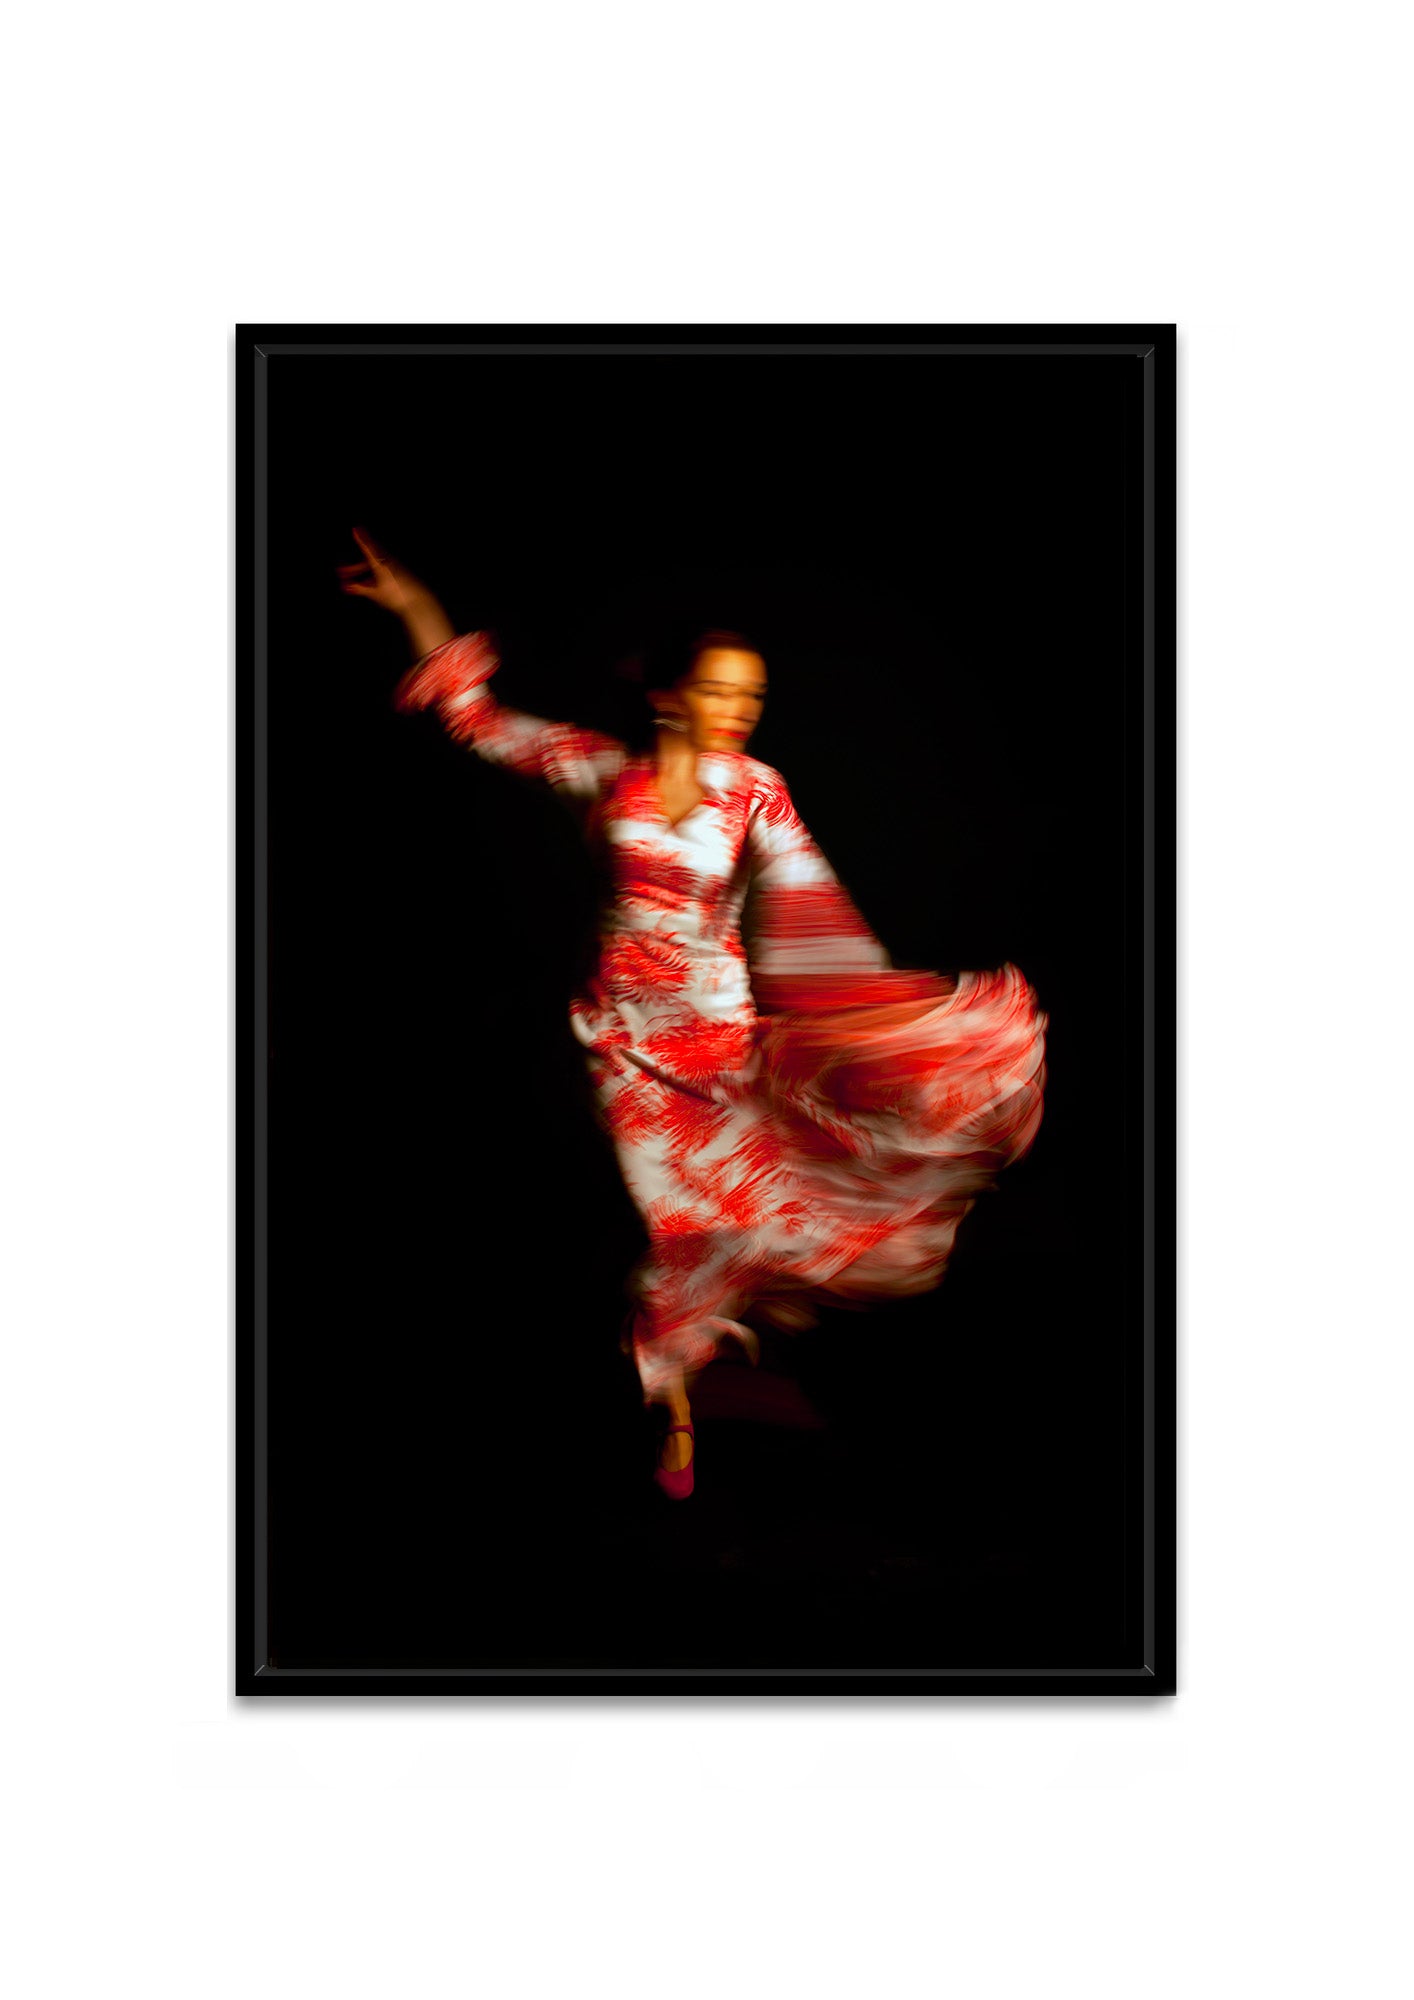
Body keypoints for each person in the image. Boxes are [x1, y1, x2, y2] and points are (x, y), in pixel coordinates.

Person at [338, 528, 1048, 1499]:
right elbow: (477, 718)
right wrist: (417, 606)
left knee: (741, 1216)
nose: (739, 711)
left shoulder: (755, 791)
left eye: (752, 696)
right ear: (668, 694)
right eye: (719, 690)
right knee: (679, 1220)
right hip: (624, 1044)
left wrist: (878, 1023)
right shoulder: (598, 768)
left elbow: (810, 909)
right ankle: (678, 1377)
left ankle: (684, 1375)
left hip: (719, 1039)